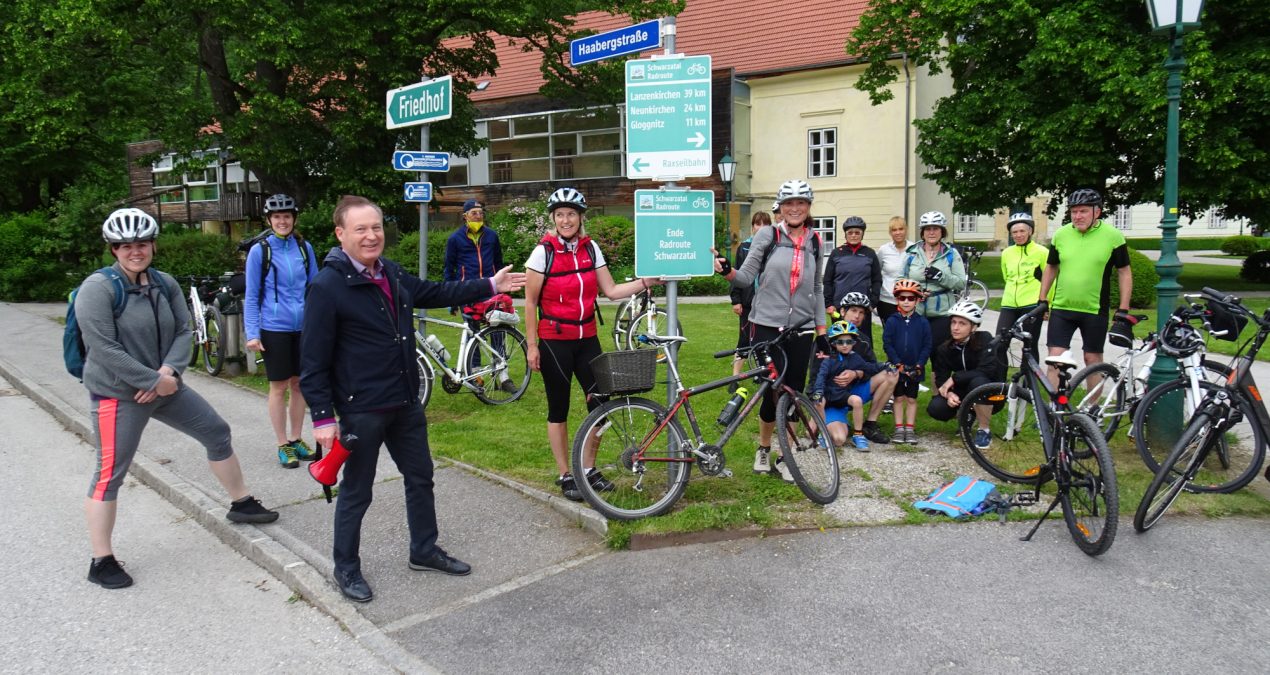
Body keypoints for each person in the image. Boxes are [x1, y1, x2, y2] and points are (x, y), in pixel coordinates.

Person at [300, 195, 525, 603]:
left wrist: (491, 284)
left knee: (421, 478)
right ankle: (346, 567)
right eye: (361, 229)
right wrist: (321, 418)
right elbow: (312, 361)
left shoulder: (390, 272)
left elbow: (435, 291)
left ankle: (423, 549)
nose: (372, 236)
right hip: (362, 408)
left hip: (405, 402)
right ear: (340, 234)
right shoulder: (327, 286)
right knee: (358, 491)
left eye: (376, 227)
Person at [79, 208, 279, 589]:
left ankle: (241, 503)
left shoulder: (164, 283)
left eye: (141, 243)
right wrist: (152, 380)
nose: (134, 251)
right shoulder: (98, 289)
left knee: (217, 432)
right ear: (113, 250)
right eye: (125, 245)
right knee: (109, 474)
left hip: (166, 386)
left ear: (153, 245)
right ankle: (101, 560)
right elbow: (103, 348)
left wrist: (169, 374)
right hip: (119, 395)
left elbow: (184, 330)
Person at [524, 187, 661, 502]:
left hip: (587, 339)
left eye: (571, 214)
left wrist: (646, 281)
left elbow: (611, 290)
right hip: (555, 342)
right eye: (560, 214)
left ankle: (588, 470)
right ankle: (565, 474)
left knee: (600, 406)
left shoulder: (590, 249)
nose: (565, 220)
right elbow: (530, 303)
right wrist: (532, 345)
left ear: (580, 217)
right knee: (558, 409)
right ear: (553, 218)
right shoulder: (542, 253)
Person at [715, 179, 827, 482]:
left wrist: (822, 331)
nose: (794, 208)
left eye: (800, 203)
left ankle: (785, 455)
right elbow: (746, 276)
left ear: (808, 207)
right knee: (771, 391)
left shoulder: (816, 241)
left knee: (793, 392)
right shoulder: (769, 234)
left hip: (801, 329)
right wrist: (727, 271)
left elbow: (817, 289)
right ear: (780, 207)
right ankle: (764, 448)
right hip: (766, 325)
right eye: (789, 203)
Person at [244, 193, 320, 469]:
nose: (282, 221)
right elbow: (252, 295)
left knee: (300, 384)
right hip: (274, 327)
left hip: (303, 326)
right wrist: (252, 332)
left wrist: (322, 323)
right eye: (277, 217)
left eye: (287, 216)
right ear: (269, 220)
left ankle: (297, 439)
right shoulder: (260, 251)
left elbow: (315, 288)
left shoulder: (303, 248)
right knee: (278, 387)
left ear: (293, 218)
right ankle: (282, 444)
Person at [1037, 189, 1134, 381]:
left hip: (1094, 309)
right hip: (1062, 308)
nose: (1078, 216)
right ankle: (1055, 408)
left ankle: (1092, 409)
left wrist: (1123, 308)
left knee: (1092, 359)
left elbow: (1124, 272)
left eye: (1083, 211)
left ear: (1096, 212)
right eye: (1074, 212)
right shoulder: (1061, 235)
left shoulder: (1113, 236)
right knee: (1055, 359)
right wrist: (1042, 299)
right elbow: (1051, 267)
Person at [443, 199, 513, 391]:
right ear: (465, 216)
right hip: (467, 291)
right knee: (472, 334)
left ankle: (502, 376)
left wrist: (502, 285)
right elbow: (449, 268)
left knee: (498, 330)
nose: (478, 216)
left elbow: (498, 263)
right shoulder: (455, 239)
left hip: (490, 290)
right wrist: (451, 297)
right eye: (474, 213)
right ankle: (476, 374)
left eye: (481, 212)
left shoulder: (492, 236)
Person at [927, 301, 1005, 451]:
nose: (955, 327)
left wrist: (955, 378)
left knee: (978, 382)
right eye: (953, 322)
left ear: (973, 327)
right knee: (936, 408)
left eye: (962, 323)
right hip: (963, 393)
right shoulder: (945, 348)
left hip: (991, 394)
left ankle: (984, 430)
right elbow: (941, 378)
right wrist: (949, 394)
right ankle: (967, 416)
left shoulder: (986, 340)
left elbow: (987, 370)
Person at [810, 322, 896, 452]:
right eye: (840, 342)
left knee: (857, 400)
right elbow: (820, 378)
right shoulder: (828, 360)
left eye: (848, 341)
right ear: (833, 343)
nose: (845, 345)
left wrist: (885, 365)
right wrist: (818, 392)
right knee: (838, 440)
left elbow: (869, 367)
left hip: (844, 395)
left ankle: (858, 434)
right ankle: (822, 431)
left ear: (854, 342)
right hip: (830, 398)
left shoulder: (854, 357)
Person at [835, 292, 895, 444]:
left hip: (855, 392)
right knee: (838, 439)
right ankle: (837, 423)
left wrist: (856, 373)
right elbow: (816, 375)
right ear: (843, 312)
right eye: (853, 311)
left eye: (861, 313)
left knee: (891, 374)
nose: (857, 316)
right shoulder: (828, 339)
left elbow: (872, 368)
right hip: (832, 395)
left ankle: (870, 424)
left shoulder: (864, 340)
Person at [901, 211, 967, 350]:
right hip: (916, 310)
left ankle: (938, 373)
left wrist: (940, 276)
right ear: (922, 232)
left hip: (941, 313)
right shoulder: (912, 253)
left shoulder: (951, 254)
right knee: (914, 352)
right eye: (928, 229)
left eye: (935, 229)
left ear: (942, 232)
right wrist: (915, 292)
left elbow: (961, 283)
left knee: (940, 353)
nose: (931, 232)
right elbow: (901, 280)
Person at [882, 278, 932, 445]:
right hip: (898, 368)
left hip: (915, 367)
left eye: (910, 298)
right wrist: (897, 364)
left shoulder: (923, 322)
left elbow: (927, 345)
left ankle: (909, 428)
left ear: (917, 300)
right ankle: (899, 428)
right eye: (902, 298)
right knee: (898, 398)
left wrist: (920, 364)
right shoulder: (892, 321)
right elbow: (887, 343)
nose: (906, 302)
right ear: (897, 299)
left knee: (911, 398)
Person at [996, 212, 1048, 364]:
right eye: (1014, 232)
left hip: (1032, 304)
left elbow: (1050, 279)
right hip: (1009, 304)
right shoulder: (1006, 253)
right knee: (1000, 343)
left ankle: (1029, 385)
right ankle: (1000, 385)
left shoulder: (1042, 252)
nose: (1018, 235)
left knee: (1029, 346)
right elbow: (1007, 276)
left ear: (1030, 231)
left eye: (1022, 231)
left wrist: (1046, 304)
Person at [823, 216, 881, 342]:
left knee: (863, 340)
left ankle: (865, 362)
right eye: (850, 233)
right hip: (839, 308)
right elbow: (827, 280)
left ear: (862, 234)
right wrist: (829, 304)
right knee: (839, 340)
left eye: (857, 232)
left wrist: (873, 302)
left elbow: (877, 280)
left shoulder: (870, 253)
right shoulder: (836, 253)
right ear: (845, 234)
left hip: (863, 307)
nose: (854, 235)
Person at [729, 210, 772, 379]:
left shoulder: (775, 246)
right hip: (748, 301)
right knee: (745, 338)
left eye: (765, 224)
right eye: (757, 224)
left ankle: (761, 372)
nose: (761, 228)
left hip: (768, 301)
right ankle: (735, 376)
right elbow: (736, 275)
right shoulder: (744, 247)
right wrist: (736, 300)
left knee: (764, 339)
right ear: (753, 227)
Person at [876, 216, 913, 323]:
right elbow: (877, 273)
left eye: (901, 229)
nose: (898, 233)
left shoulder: (915, 249)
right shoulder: (884, 250)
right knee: (889, 335)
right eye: (894, 230)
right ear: (890, 233)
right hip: (887, 301)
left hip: (909, 300)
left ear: (906, 230)